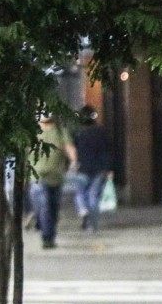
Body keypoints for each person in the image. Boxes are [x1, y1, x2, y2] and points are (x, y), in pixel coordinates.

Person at [30, 112, 77, 249]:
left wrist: (74, 161)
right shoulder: (33, 132)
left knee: (53, 208)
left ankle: (48, 231)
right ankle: (47, 237)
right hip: (37, 176)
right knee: (44, 206)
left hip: (56, 177)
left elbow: (69, 147)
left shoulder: (60, 131)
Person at [71, 106, 113, 232]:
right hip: (99, 168)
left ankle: (83, 210)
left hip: (81, 168)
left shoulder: (77, 133)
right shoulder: (101, 132)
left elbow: (73, 150)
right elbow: (107, 151)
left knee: (80, 193)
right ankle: (92, 225)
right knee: (93, 196)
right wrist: (109, 168)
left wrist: (72, 164)